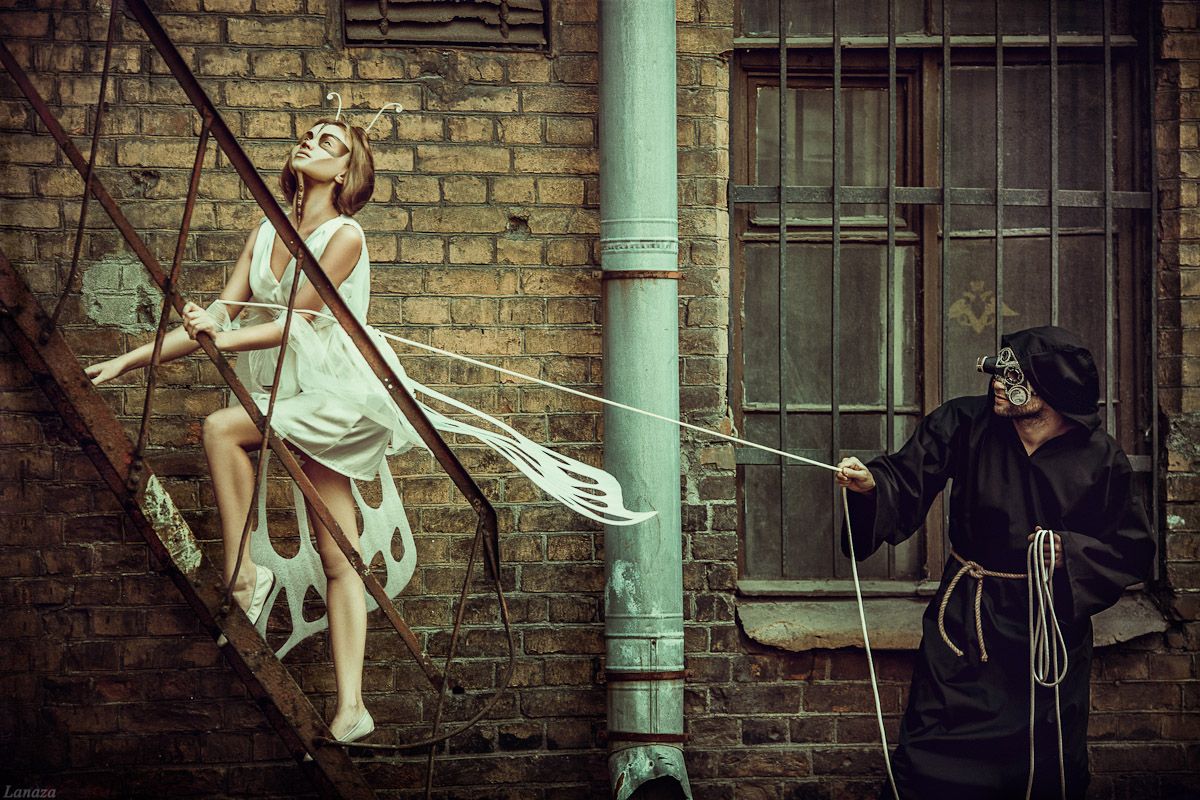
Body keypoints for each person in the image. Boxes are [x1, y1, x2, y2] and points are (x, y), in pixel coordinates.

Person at [835, 325, 1155, 800]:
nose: (998, 384)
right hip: (966, 622)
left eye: (1013, 377)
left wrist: (1069, 552)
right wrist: (872, 486)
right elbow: (906, 475)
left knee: (1042, 764)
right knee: (929, 754)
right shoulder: (965, 423)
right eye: (998, 372)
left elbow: (1133, 547)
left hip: (1046, 635)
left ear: (1050, 390)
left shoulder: (1100, 458)